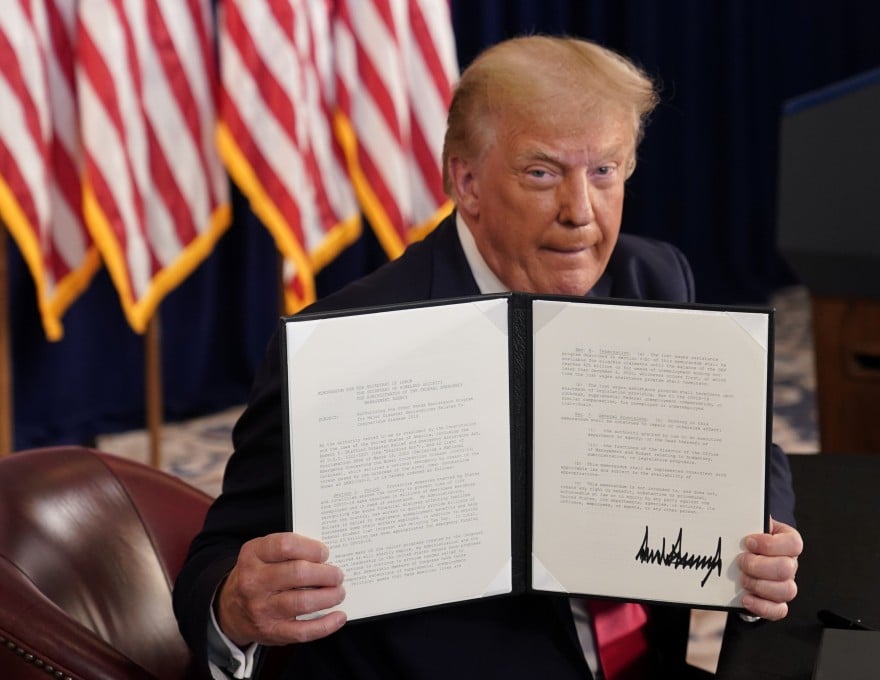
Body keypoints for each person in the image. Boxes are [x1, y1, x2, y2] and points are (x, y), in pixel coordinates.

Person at [174, 35, 803, 679]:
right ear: (467, 183)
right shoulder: (343, 345)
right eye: (542, 173)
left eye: (604, 171)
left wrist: (764, 532)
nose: (580, 213)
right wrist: (234, 610)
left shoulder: (654, 277)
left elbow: (747, 448)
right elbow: (217, 564)